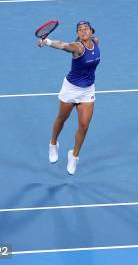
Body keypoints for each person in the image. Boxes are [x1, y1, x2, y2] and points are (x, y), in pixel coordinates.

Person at [37, 21, 101, 175]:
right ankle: (53, 144)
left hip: (87, 90)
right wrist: (47, 41)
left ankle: (74, 156)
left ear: (92, 31)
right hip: (71, 89)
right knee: (61, 119)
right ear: (78, 34)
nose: (83, 31)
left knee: (84, 125)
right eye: (80, 29)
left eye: (86, 28)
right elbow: (63, 45)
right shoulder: (77, 47)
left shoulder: (96, 42)